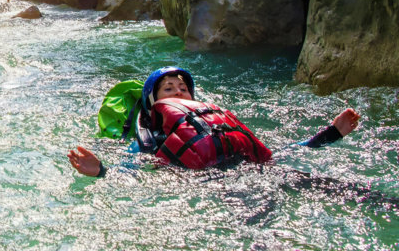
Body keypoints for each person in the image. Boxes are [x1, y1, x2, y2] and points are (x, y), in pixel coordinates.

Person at [68, 67, 361, 177]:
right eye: (168, 89)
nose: (178, 91)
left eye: (183, 88)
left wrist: (330, 134)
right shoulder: (148, 141)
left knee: (322, 184)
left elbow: (277, 152)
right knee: (252, 212)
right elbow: (129, 172)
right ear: (153, 103)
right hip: (204, 182)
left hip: (251, 168)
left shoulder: (216, 123)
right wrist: (102, 171)